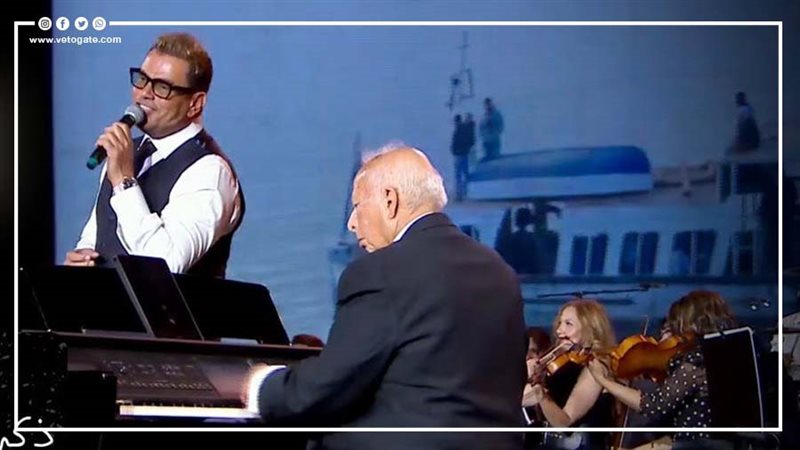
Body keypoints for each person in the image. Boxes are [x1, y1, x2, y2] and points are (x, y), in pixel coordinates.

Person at [242, 144, 527, 450]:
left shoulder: (379, 272)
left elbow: (325, 389)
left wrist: (261, 386)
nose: (352, 222)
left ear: (390, 200)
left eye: (357, 206)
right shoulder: (501, 273)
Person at [64, 32, 243, 278]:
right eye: (142, 80)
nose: (144, 93)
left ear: (195, 103)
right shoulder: (126, 153)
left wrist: (124, 182)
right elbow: (97, 236)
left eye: (162, 87)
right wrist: (82, 257)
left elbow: (166, 264)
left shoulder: (209, 172)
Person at [588, 290, 737, 448]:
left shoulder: (695, 363)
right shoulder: (727, 356)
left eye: (678, 328)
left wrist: (603, 380)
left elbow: (654, 406)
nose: (677, 336)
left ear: (692, 324)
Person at [523, 299, 617, 450]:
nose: (559, 330)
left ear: (589, 328)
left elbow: (565, 421)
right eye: (560, 323)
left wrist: (541, 393)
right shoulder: (564, 363)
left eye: (568, 324)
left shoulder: (597, 366)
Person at [450, 113, 475, 201]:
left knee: (459, 175)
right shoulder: (464, 129)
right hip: (463, 154)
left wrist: (454, 150)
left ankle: (460, 194)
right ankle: (465, 192)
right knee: (465, 173)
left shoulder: (459, 130)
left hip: (459, 154)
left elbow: (457, 142)